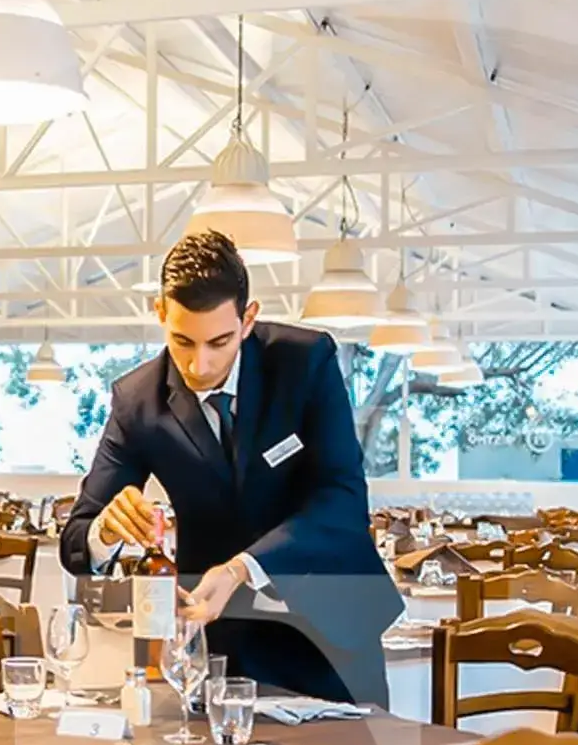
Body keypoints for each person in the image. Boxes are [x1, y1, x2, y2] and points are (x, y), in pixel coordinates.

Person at [59, 229, 403, 706]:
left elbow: (341, 502)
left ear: (248, 318)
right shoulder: (137, 401)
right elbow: (76, 545)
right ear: (160, 313)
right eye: (182, 341)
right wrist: (106, 529)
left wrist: (242, 568)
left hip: (334, 628)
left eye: (219, 342)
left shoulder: (305, 362)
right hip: (221, 644)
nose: (199, 365)